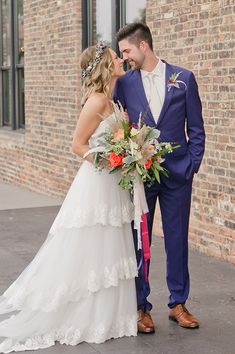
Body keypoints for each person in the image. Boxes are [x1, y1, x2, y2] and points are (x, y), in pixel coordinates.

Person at [0, 41, 138, 353]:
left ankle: (110, 317)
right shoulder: (95, 102)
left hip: (114, 184)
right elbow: (77, 144)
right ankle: (83, 315)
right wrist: (110, 161)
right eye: (116, 57)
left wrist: (128, 155)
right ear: (104, 65)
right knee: (91, 244)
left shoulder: (112, 99)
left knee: (110, 243)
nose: (120, 60)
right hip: (97, 182)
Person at [114, 22, 205, 333]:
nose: (124, 57)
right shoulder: (124, 84)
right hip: (141, 176)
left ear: (144, 46)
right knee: (140, 242)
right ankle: (141, 307)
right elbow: (116, 123)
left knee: (178, 240)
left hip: (178, 173)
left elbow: (196, 129)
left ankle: (178, 303)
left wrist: (192, 164)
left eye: (127, 51)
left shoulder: (184, 79)